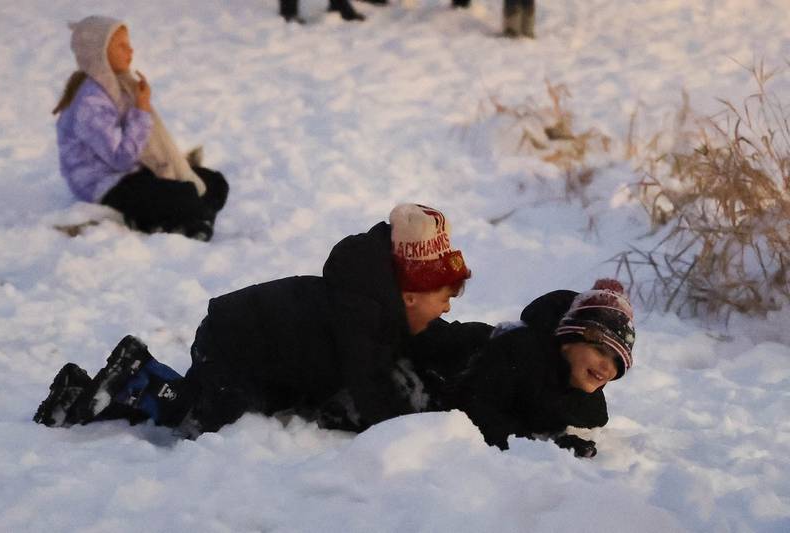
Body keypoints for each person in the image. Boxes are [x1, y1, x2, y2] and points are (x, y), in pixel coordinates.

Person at [33, 204, 471, 438]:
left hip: (263, 356)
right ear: (410, 294)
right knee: (205, 419)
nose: (447, 309)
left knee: (244, 405)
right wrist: (411, 433)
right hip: (232, 347)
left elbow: (436, 338)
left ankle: (118, 385)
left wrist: (491, 338)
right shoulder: (362, 316)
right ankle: (138, 377)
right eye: (444, 298)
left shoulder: (384, 304)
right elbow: (371, 385)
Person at [409, 279, 635, 457]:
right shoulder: (521, 352)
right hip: (437, 351)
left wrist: (567, 442)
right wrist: (536, 443)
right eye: (600, 351)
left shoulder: (589, 406)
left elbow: (573, 428)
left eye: (617, 363)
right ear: (568, 342)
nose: (607, 368)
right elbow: (473, 410)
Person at [53, 16, 229, 241]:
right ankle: (185, 219)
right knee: (183, 194)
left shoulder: (121, 85)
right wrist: (142, 109)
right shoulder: (90, 103)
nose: (130, 51)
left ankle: (189, 217)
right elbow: (121, 159)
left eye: (129, 44)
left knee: (213, 181)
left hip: (134, 174)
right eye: (121, 46)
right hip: (105, 183)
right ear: (98, 53)